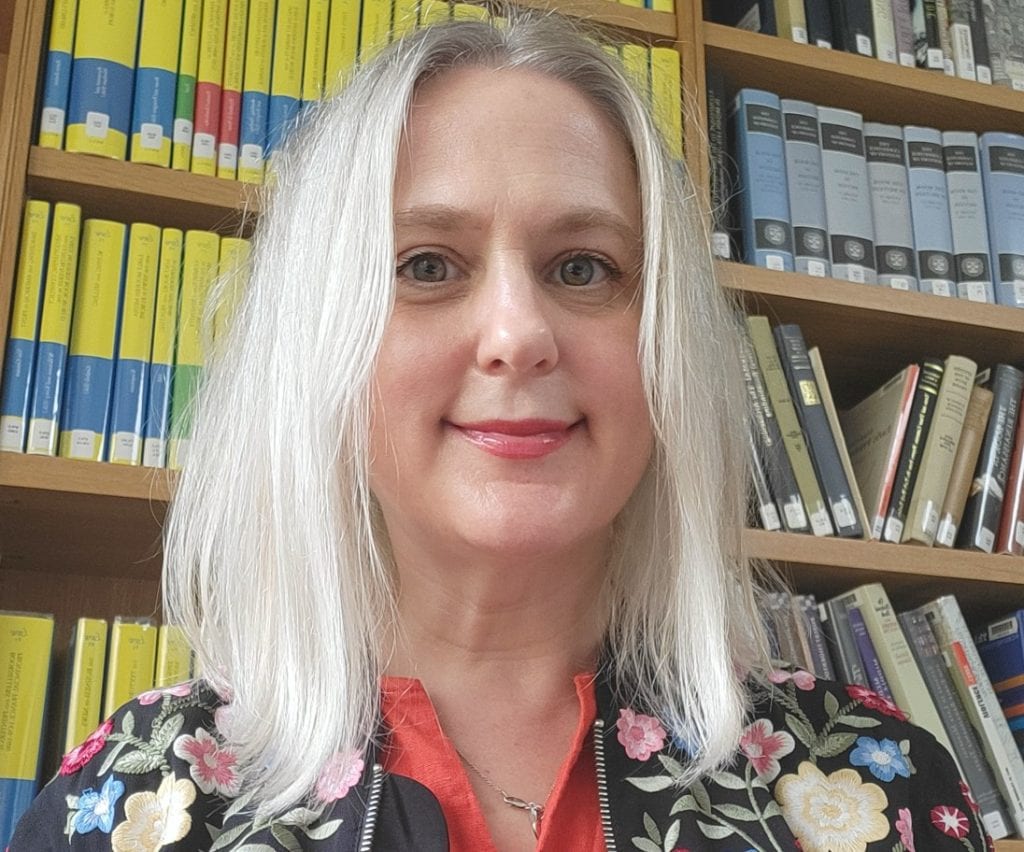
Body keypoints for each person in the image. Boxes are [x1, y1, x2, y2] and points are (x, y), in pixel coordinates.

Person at [12, 11, 988, 852]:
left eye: (582, 268)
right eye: (428, 265)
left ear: (665, 350)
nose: (518, 337)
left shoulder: (879, 792)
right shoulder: (131, 803)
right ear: (317, 346)